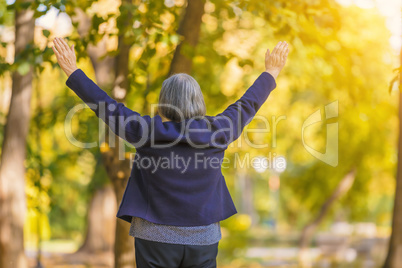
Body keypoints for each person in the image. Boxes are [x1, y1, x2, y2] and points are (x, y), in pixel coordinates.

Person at [52, 37, 289, 268]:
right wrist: (271, 72)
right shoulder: (219, 131)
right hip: (203, 238)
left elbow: (106, 107)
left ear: (164, 102)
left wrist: (73, 71)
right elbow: (248, 104)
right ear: (199, 102)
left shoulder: (146, 132)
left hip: (154, 238)